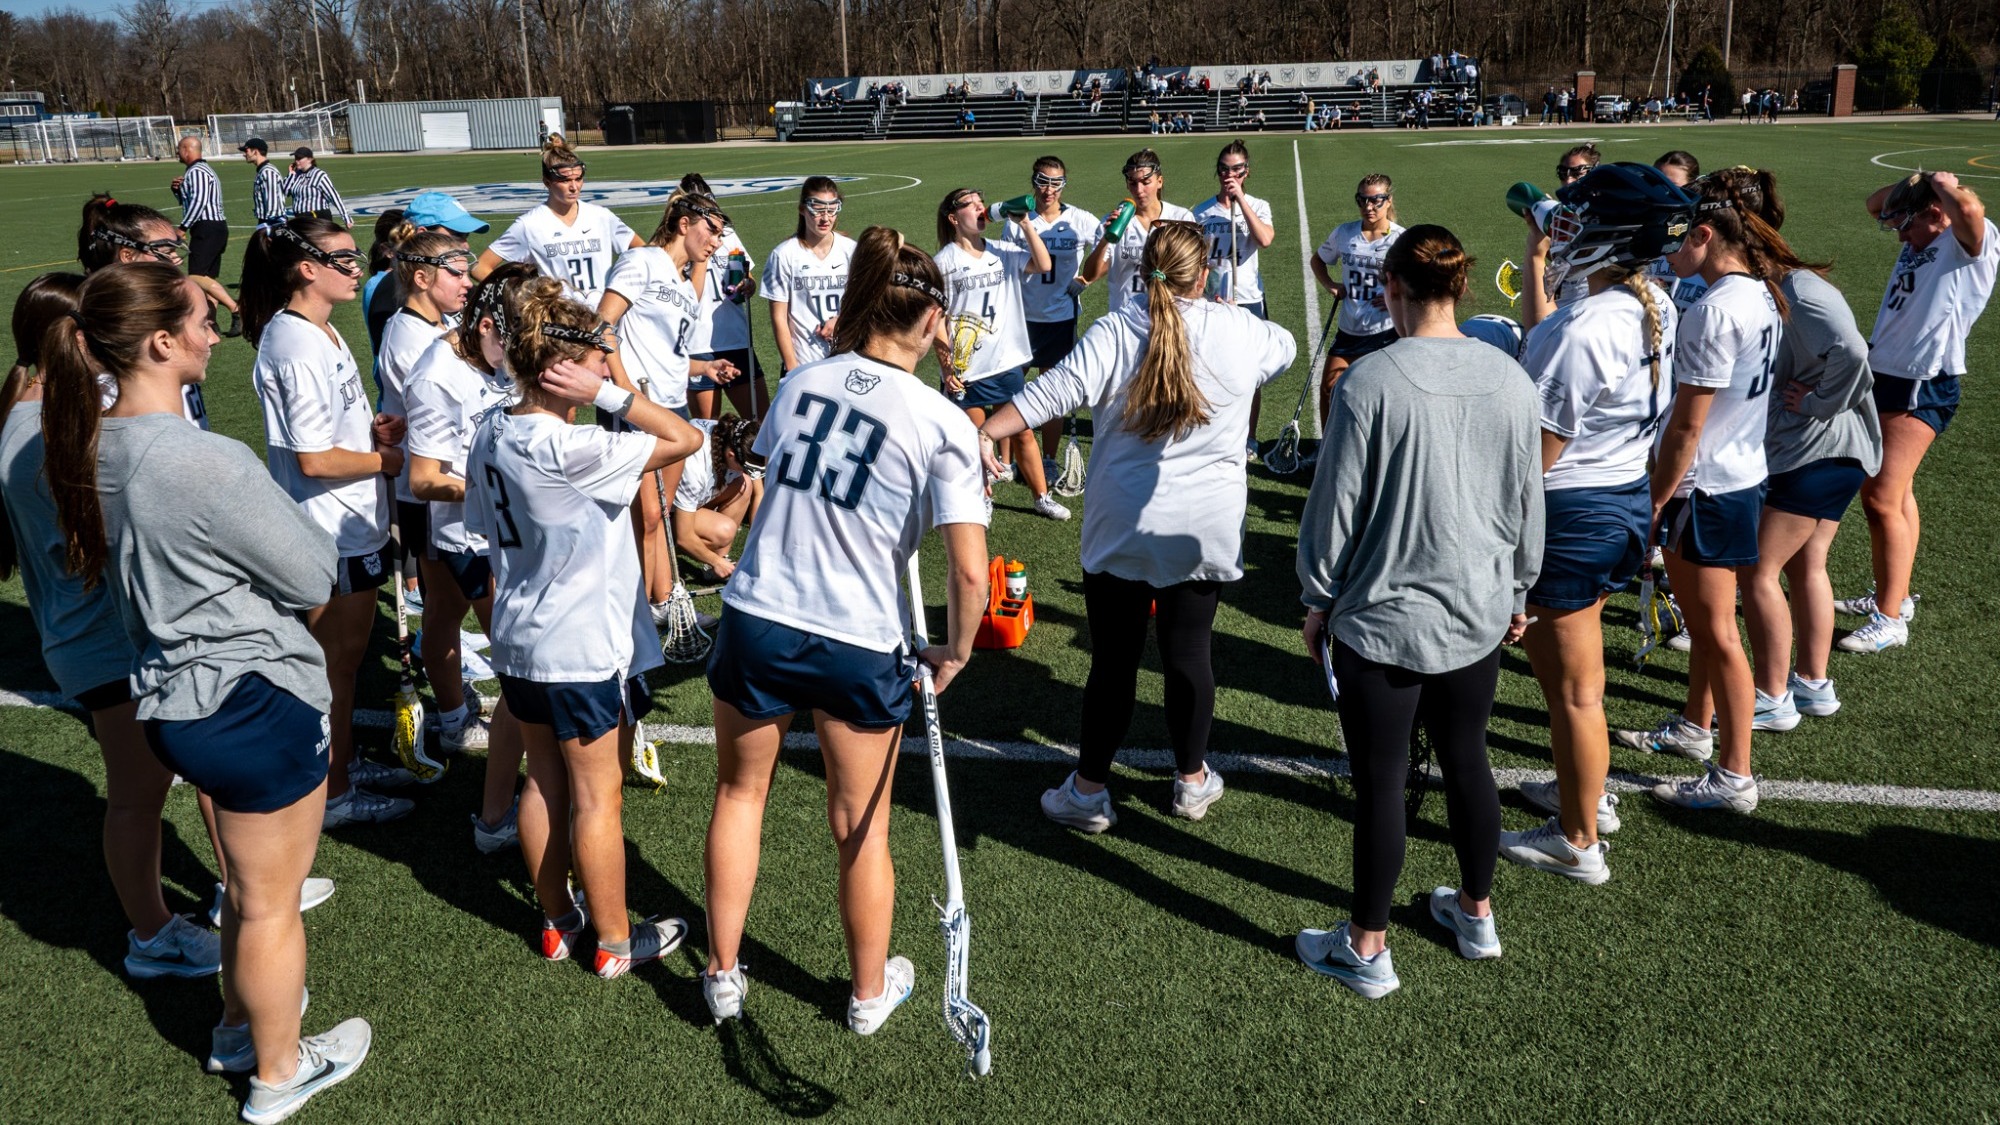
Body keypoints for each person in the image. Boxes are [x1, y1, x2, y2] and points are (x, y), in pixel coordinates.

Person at [42, 260, 371, 1122]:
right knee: (268, 904)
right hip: (249, 694)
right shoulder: (198, 459)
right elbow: (310, 572)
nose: (214, 335)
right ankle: (277, 1070)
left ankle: (235, 1025)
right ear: (160, 341)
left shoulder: (87, 438)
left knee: (241, 890)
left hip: (170, 695)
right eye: (200, 322)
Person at [701, 225, 988, 1031]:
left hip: (758, 615)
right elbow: (969, 571)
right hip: (857, 634)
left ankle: (723, 972)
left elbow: (767, 479)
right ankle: (868, 992)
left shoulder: (799, 384)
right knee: (860, 825)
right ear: (931, 323)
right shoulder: (942, 421)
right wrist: (959, 650)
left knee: (738, 792)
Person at [1295, 225, 1541, 998]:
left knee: (1382, 782)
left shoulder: (1369, 382)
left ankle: (1368, 946)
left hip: (1385, 618)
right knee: (1469, 757)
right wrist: (1519, 589)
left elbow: (1331, 511)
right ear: (1460, 288)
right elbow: (1528, 504)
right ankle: (1476, 911)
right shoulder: (1510, 377)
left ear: (1391, 289)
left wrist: (1316, 596)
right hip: (1476, 609)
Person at [982, 220, 1295, 829]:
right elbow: (1282, 347)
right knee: (1189, 654)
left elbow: (1051, 394)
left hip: (1122, 523)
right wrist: (1226, 313)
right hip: (1202, 529)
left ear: (1141, 269)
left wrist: (981, 431)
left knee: (1115, 662)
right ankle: (1192, 780)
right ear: (1202, 275)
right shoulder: (1237, 329)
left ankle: (1090, 791)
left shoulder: (1119, 328)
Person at [465, 277, 703, 978]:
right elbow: (683, 435)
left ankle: (556, 920)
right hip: (577, 648)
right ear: (560, 368)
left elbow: (485, 527)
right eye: (595, 357)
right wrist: (607, 397)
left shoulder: (491, 429)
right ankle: (613, 938)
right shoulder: (573, 450)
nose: (606, 366)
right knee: (599, 798)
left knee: (542, 783)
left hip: (518, 640)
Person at [4, 272, 236, 981]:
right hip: (101, 642)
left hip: (88, 632)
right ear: (77, 340)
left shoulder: (32, 409)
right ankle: (153, 931)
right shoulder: (45, 432)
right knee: (137, 794)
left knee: (155, 781)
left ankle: (223, 891)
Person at [1497, 163, 1692, 886]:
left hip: (1573, 508)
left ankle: (1580, 835)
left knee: (1574, 692)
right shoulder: (1653, 302)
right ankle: (1585, 790)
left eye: (1580, 216)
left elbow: (1532, 457)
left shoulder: (1584, 325)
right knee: (1580, 685)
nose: (1564, 225)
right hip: (1621, 492)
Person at [1620, 168, 1797, 813]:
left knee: (1717, 630)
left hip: (1709, 485)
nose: (1669, 254)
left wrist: (1655, 498)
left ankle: (1735, 773)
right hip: (1739, 475)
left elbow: (1689, 426)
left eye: (1678, 240)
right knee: (1706, 621)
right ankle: (1697, 728)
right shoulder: (1759, 294)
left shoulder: (1717, 309)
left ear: (1704, 234)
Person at [240, 215, 418, 828]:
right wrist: (385, 458)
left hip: (353, 521)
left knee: (344, 662)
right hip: (329, 530)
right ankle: (333, 791)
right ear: (305, 269)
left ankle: (341, 761)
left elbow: (329, 434)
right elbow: (314, 459)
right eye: (342, 259)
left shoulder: (324, 331)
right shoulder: (293, 343)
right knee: (332, 666)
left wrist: (373, 433)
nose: (357, 267)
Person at [404, 264, 536, 851]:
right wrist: (499, 484)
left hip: (499, 530)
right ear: (486, 326)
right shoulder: (438, 375)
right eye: (515, 344)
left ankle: (455, 722)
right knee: (521, 679)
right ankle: (495, 815)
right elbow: (425, 478)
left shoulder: (490, 354)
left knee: (442, 620)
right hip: (473, 539)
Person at [1837, 172, 1994, 652]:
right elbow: (1873, 201)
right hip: (1890, 370)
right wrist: (1920, 182)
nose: (1900, 236)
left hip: (1922, 379)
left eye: (1907, 225)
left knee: (1881, 497)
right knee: (1896, 494)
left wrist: (1942, 186)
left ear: (1936, 214)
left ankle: (1890, 619)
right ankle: (1895, 595)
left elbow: (1969, 211)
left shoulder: (1966, 243)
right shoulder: (1927, 224)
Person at [1742, 212, 1880, 725]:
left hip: (1819, 450)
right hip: (1830, 452)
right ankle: (1814, 686)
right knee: (1806, 566)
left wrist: (1819, 402)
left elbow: (1852, 350)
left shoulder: (1799, 288)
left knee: (1759, 569)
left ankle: (1773, 696)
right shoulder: (1784, 288)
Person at [599, 188, 740, 616]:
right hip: (638, 406)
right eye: (712, 231)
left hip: (672, 408)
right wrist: (627, 394)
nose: (717, 241)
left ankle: (662, 599)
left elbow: (669, 353)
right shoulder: (641, 262)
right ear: (684, 224)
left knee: (659, 513)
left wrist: (704, 369)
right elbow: (601, 325)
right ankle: (639, 610)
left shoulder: (681, 282)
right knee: (644, 515)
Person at [931, 187, 1068, 521]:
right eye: (971, 204)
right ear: (954, 218)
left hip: (1006, 361)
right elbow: (935, 318)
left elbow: (1044, 263)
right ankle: (984, 497)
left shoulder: (1003, 250)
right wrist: (948, 367)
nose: (980, 207)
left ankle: (1041, 497)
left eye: (981, 202)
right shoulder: (943, 262)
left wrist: (1025, 224)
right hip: (968, 369)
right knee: (973, 441)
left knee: (1021, 431)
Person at [375, 225, 472, 616]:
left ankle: (448, 661)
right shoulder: (406, 336)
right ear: (421, 277)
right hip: (427, 485)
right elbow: (446, 405)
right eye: (457, 274)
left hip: (449, 475)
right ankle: (444, 663)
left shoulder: (444, 324)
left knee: (451, 603)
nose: (467, 284)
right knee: (452, 601)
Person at [77, 194, 225, 421]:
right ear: (128, 255)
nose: (177, 260)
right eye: (165, 252)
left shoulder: (164, 312)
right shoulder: (115, 343)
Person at [472, 135, 641, 307]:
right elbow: (480, 267)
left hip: (603, 321)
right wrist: (519, 298)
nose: (574, 187)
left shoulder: (602, 217)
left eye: (578, 179)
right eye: (565, 180)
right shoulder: (529, 225)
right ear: (547, 182)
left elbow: (644, 252)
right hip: (558, 324)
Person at [1018, 156, 1103, 472]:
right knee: (1011, 389)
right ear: (1034, 181)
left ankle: (1049, 459)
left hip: (1059, 318)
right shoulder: (1020, 220)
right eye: (1043, 180)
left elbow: (1108, 249)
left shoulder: (1081, 219)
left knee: (1051, 392)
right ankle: (1007, 459)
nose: (1049, 189)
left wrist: (1087, 278)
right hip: (1022, 318)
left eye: (1056, 182)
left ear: (1064, 185)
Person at [1194, 141, 1277, 453]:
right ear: (1218, 171)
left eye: (1237, 170)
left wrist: (1240, 200)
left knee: (1250, 373)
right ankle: (1213, 431)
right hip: (1212, 300)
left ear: (1246, 172)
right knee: (1209, 369)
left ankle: (1249, 436)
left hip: (1247, 298)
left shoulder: (1258, 206)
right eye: (1225, 169)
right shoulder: (1201, 211)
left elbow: (1265, 239)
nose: (1230, 175)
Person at [1311, 173, 1406, 424]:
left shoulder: (1400, 239)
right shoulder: (1345, 233)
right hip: (1349, 329)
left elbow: (1418, 280)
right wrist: (1330, 285)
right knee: (1329, 389)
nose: (1368, 207)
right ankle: (1326, 449)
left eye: (1376, 200)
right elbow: (1318, 260)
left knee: (1384, 399)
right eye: (1362, 200)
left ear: (1388, 201)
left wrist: (1394, 299)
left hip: (1385, 332)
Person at [680, 173, 766, 421]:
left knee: (759, 423)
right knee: (707, 428)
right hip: (698, 344)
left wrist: (748, 284)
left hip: (736, 339)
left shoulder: (727, 235)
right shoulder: (679, 241)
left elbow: (746, 274)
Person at [364, 192, 490, 353]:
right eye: (457, 235)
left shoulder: (457, 282)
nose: (466, 245)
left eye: (466, 236)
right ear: (423, 234)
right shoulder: (392, 292)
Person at [761, 176, 856, 378]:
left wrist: (842, 319)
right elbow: (779, 317)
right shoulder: (784, 255)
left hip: (847, 360)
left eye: (831, 210)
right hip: (804, 363)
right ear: (803, 209)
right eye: (818, 210)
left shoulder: (850, 250)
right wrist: (792, 368)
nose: (825, 218)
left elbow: (865, 302)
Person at [1082, 149, 1197, 311]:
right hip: (1127, 318)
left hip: (1170, 315)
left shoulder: (1181, 217)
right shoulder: (1115, 222)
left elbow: (1194, 271)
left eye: (1145, 182)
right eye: (1133, 183)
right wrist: (1105, 240)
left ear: (1160, 181)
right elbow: (1089, 276)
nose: (1139, 190)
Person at [1521, 144, 1606, 327]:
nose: (1568, 181)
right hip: (1559, 307)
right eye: (1563, 174)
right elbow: (1560, 259)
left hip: (1585, 315)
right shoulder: (1561, 215)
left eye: (1576, 173)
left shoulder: (1603, 217)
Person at [669, 415, 763, 580]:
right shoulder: (695, 467)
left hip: (692, 501)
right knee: (724, 531)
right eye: (746, 468)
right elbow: (684, 537)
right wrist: (716, 561)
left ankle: (716, 565)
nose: (749, 472)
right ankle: (660, 549)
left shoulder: (733, 436)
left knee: (745, 484)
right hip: (666, 513)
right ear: (731, 455)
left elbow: (758, 494)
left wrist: (758, 547)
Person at [169, 136, 239, 331]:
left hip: (207, 227)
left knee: (196, 276)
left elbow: (198, 203)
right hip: (214, 228)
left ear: (186, 149)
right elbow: (191, 202)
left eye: (179, 149)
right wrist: (178, 191)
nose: (177, 153)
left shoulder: (197, 171)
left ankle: (236, 308)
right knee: (207, 279)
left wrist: (182, 228)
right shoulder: (200, 170)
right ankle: (211, 323)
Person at [281, 148, 350, 226]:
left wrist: (346, 216)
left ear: (310, 159)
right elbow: (285, 192)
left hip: (317, 216)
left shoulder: (319, 175)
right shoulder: (295, 175)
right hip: (300, 217)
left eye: (299, 158)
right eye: (296, 158)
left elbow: (334, 196)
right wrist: (291, 174)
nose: (296, 161)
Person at [240, 137, 288, 230]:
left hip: (272, 223)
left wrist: (272, 230)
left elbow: (273, 206)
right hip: (266, 222)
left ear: (255, 151)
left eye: (246, 151)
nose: (244, 155)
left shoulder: (267, 172)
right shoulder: (262, 171)